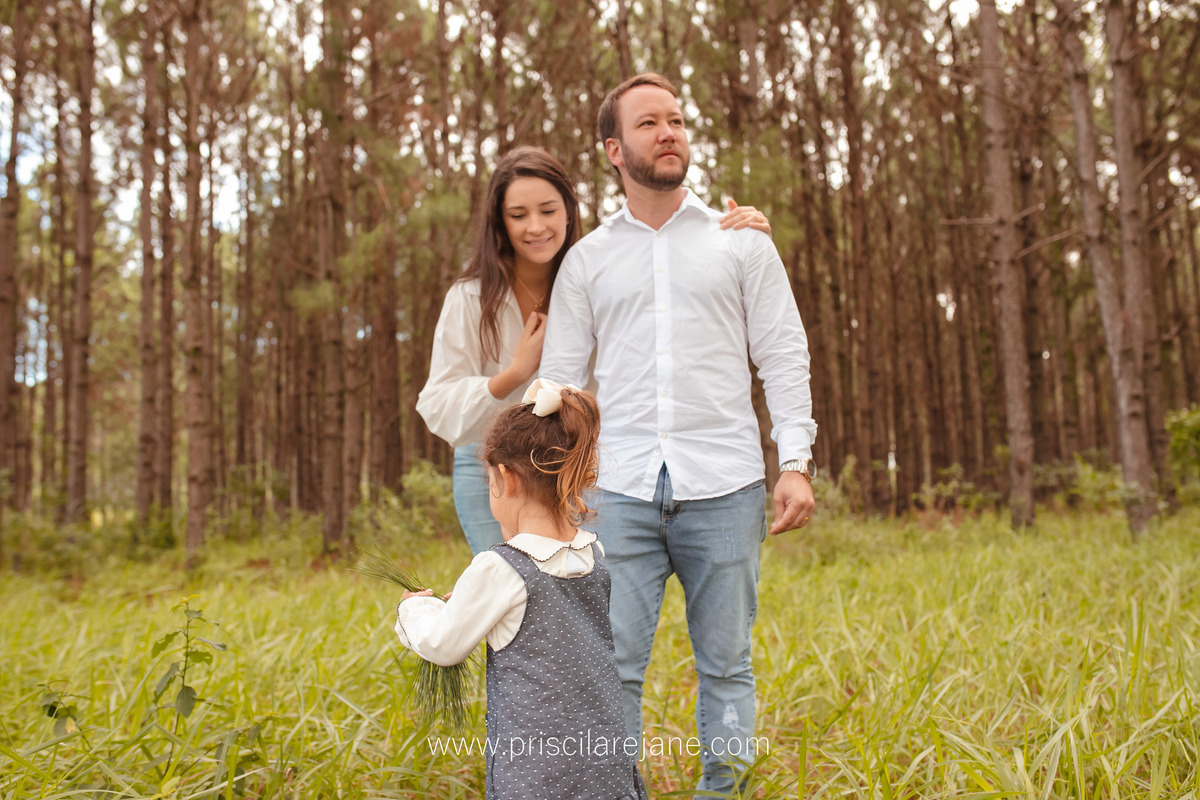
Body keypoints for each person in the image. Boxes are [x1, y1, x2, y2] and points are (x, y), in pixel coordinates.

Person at [539, 73, 818, 796]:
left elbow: (782, 351)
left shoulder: (742, 243)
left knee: (726, 665)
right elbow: (563, 384)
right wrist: (553, 494)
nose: (669, 132)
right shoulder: (588, 260)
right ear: (613, 149)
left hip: (725, 486)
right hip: (618, 492)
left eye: (677, 120)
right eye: (648, 123)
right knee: (616, 666)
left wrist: (795, 461)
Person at [415, 146, 773, 555]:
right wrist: (514, 374)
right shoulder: (471, 298)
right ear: (499, 222)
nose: (535, 227)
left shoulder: (597, 271)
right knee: (511, 595)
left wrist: (742, 234)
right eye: (518, 215)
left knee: (574, 601)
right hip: (494, 469)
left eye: (548, 210)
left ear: (569, 210)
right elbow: (437, 405)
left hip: (572, 466)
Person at [395, 381, 647, 800]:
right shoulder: (593, 552)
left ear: (506, 479)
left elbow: (443, 645)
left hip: (539, 775)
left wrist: (415, 611)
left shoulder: (500, 566)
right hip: (604, 764)